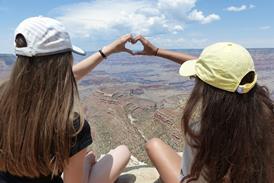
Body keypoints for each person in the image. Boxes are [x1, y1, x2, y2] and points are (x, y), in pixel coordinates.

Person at [0, 16, 132, 183]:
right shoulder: (70, 124)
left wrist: (107, 51)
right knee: (122, 152)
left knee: (88, 158)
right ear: (64, 61)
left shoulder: (3, 97)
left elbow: (65, 78)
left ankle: (86, 162)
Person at [132, 35, 274, 183]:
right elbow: (221, 75)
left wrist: (157, 52)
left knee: (153, 145)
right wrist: (157, 51)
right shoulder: (268, 116)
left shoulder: (202, 133)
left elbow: (189, 180)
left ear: (205, 89)